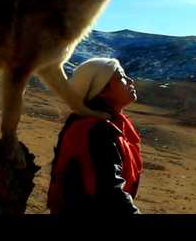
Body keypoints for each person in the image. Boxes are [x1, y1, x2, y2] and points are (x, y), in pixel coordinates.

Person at [47, 58, 143, 214]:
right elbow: (108, 194)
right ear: (102, 91)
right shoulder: (95, 131)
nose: (130, 80)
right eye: (121, 77)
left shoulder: (105, 125)